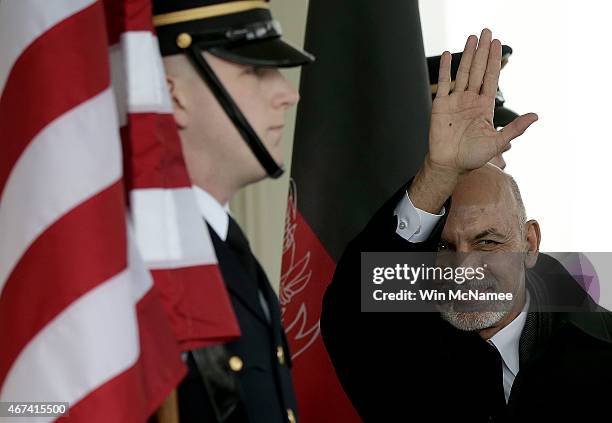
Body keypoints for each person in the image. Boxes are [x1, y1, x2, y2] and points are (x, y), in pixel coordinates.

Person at [321, 30, 612, 422]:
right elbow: (352, 311)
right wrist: (439, 173)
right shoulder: (395, 338)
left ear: (529, 241)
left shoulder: (586, 330)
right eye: (443, 246)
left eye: (488, 241)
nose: (465, 268)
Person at [152, 1, 314, 422]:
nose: (288, 93)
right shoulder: (132, 259)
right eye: (254, 71)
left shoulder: (224, 246)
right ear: (174, 98)